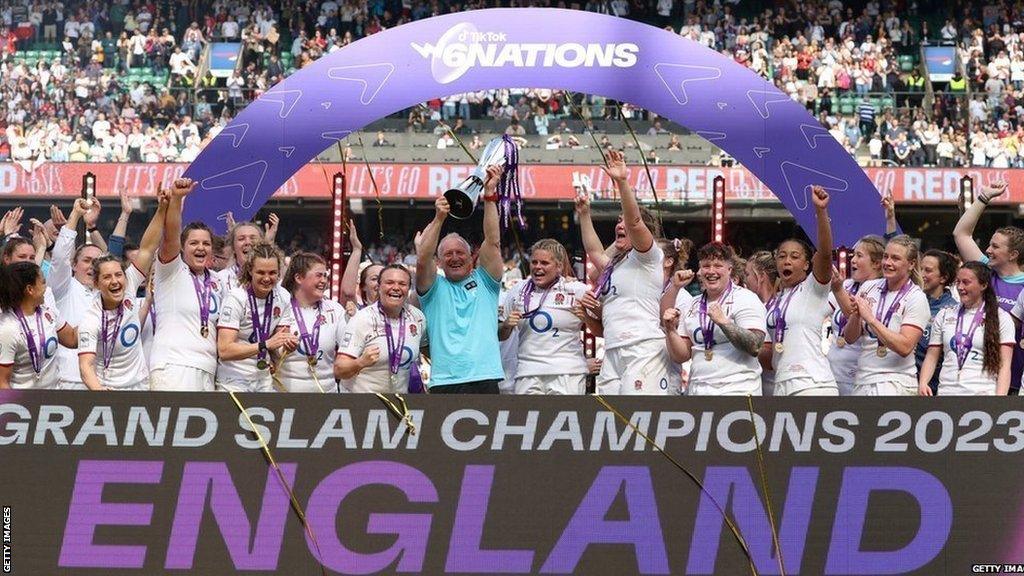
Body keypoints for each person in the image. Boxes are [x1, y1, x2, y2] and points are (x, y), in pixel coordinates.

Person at [577, 150, 677, 394]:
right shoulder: (615, 265)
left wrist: (622, 182)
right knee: (613, 420)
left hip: (642, 348)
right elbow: (594, 251)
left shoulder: (649, 256)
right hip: (613, 349)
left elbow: (634, 223)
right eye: (617, 220)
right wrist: (584, 214)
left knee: (640, 418)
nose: (619, 224)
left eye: (624, 220)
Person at [415, 165, 504, 393]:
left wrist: (490, 196)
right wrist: (439, 218)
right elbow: (423, 258)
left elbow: (492, 241)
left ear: (472, 258)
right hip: (445, 381)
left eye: (460, 253)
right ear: (440, 262)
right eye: (448, 254)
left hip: (485, 377)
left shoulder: (487, 282)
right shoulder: (433, 289)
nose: (455, 257)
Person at [77, 188, 167, 391]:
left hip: (140, 388)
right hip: (106, 390)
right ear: (96, 284)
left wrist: (162, 209)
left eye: (118, 275)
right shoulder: (90, 320)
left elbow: (147, 248)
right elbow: (85, 366)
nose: (115, 281)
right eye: (107, 277)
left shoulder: (130, 285)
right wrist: (100, 392)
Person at [761, 186, 839, 396]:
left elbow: (824, 254)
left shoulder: (814, 289)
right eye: (782, 256)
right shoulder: (774, 303)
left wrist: (821, 212)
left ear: (806, 265)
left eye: (795, 257)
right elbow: (768, 354)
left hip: (813, 384)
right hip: (782, 383)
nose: (787, 261)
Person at [150, 178, 226, 391]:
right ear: (182, 248)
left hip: (208, 369)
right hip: (174, 366)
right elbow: (170, 236)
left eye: (206, 243)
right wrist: (176, 199)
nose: (200, 247)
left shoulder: (218, 282)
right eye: (193, 243)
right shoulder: (172, 270)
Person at [662, 242, 767, 395]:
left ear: (729, 269)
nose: (711, 271)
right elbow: (681, 355)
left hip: (738, 389)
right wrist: (670, 330)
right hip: (698, 390)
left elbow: (755, 346)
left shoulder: (746, 298)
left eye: (718, 265)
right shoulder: (693, 304)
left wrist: (724, 322)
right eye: (706, 266)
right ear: (699, 270)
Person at [953, 180, 1024, 394]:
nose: (988, 250)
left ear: (1013, 254)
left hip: (1016, 379)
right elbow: (961, 234)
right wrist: (984, 197)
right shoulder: (984, 272)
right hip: (980, 379)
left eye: (995, 246)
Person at [843, 235, 930, 395]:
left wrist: (870, 319)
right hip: (863, 379)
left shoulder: (916, 297)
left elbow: (905, 347)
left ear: (911, 264)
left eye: (895, 258)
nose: (887, 263)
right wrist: (856, 314)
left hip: (896, 382)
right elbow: (849, 338)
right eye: (885, 257)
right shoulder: (869, 287)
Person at [499, 239, 588, 395]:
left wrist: (587, 318)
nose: (537, 267)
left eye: (544, 263)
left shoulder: (576, 290)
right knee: (528, 420)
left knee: (565, 419)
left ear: (559, 267)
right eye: (534, 262)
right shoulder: (517, 290)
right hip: (527, 372)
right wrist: (506, 325)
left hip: (567, 371)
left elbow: (603, 322)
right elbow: (501, 335)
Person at [920, 262, 1013, 396]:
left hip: (982, 395)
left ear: (984, 285)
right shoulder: (945, 314)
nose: (960, 287)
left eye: (966, 282)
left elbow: (1004, 365)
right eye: (958, 282)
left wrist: (1000, 399)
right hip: (946, 393)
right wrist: (923, 383)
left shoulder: (1001, 318)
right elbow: (932, 355)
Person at [216, 241, 296, 392]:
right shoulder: (236, 298)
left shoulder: (283, 297)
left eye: (272, 273)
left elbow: (276, 348)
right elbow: (224, 350)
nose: (267, 278)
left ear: (279, 273)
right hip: (233, 380)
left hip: (263, 378)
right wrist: (264, 345)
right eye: (261, 272)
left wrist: (287, 347)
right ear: (250, 271)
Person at [337, 264, 426, 392]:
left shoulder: (417, 317)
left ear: (409, 288)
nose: (396, 288)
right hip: (362, 405)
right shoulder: (361, 319)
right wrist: (360, 362)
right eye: (389, 283)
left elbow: (426, 349)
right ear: (379, 287)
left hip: (398, 403)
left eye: (402, 284)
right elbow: (339, 369)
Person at [50, 199, 103, 389]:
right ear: (74, 265)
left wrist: (92, 226)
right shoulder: (64, 287)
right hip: (67, 380)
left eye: (97, 262)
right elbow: (60, 258)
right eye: (87, 261)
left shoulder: (109, 296)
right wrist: (75, 216)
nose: (92, 266)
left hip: (101, 382)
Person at [0, 262, 78, 389]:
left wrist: (98, 315)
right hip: (24, 404)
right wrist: (15, 408)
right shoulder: (7, 328)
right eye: (42, 282)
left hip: (54, 399)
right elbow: (2, 382)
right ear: (30, 289)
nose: (46, 288)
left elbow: (72, 339)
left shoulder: (47, 311)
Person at [279, 252, 347, 393]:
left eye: (325, 276)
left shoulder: (335, 309)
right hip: (285, 396)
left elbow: (347, 352)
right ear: (298, 278)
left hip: (326, 395)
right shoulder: (281, 307)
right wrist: (282, 348)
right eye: (318, 275)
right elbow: (271, 351)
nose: (324, 281)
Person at [828, 235, 885, 394]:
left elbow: (854, 319)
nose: (852, 260)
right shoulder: (846, 284)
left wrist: (838, 290)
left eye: (859, 256)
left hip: (858, 376)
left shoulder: (880, 290)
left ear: (876, 263)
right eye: (853, 255)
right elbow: (819, 309)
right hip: (833, 374)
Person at [916, 249, 959, 393]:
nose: (921, 275)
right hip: (908, 380)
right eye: (920, 269)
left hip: (935, 387)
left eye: (927, 271)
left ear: (943, 277)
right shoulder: (910, 300)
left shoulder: (953, 310)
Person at [744, 250, 779, 396]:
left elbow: (771, 359)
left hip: (776, 390)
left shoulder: (778, 308)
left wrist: (739, 344)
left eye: (747, 275)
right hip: (760, 389)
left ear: (761, 277)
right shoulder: (755, 306)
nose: (744, 280)